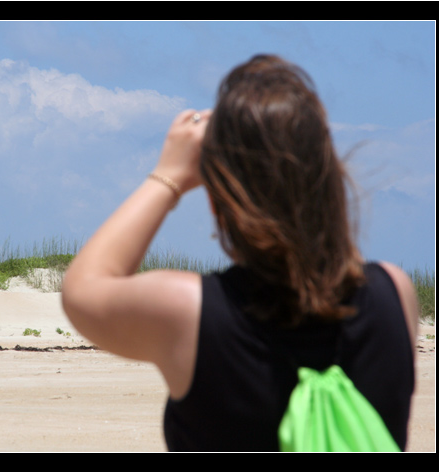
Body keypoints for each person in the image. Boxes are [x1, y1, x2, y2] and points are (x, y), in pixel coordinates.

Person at [61, 54, 418, 452]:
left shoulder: (189, 312)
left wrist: (170, 175)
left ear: (217, 202)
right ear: (330, 179)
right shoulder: (395, 294)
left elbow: (82, 289)